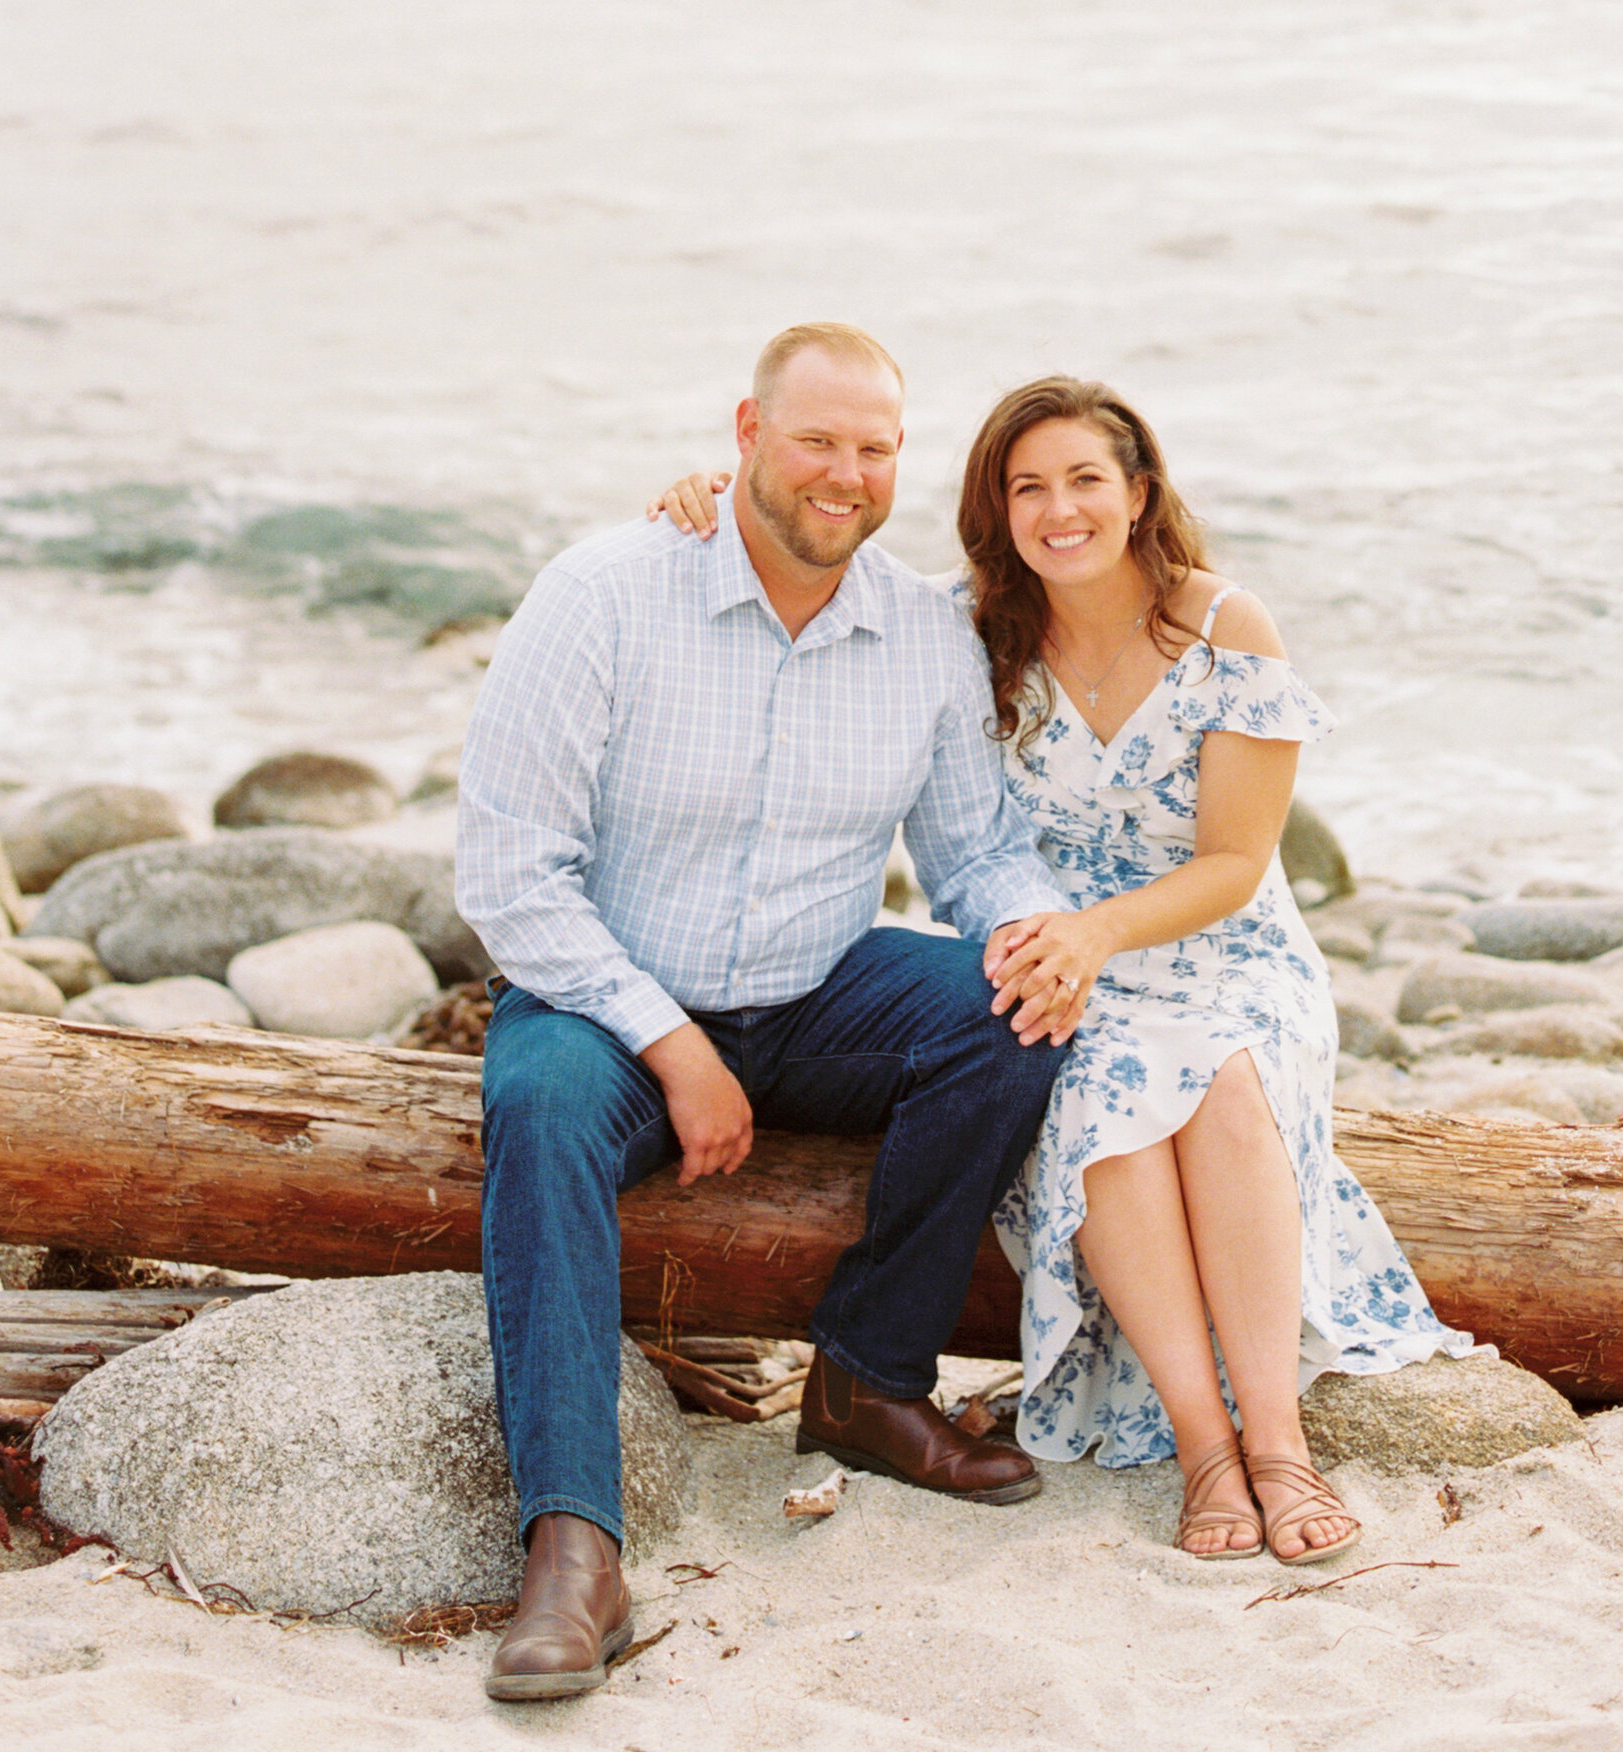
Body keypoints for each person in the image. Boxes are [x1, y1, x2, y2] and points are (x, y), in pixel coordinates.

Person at [654, 371, 1465, 1567]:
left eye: (1085, 479)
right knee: (1102, 1101)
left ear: (1137, 493)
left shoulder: (1223, 627)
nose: (1058, 509)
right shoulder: (965, 622)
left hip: (1219, 947)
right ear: (997, 509)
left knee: (1227, 1084)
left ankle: (1280, 1450)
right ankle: (1204, 1450)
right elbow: (816, 572)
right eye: (1026, 487)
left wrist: (1097, 934)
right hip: (1045, 945)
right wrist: (719, 503)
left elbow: (1238, 862)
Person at [457, 324, 1077, 1706]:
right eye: (816, 440)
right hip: (604, 1000)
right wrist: (667, 1041)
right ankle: (574, 1544)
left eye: (874, 449)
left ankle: (867, 1383)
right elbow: (510, 875)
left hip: (815, 991)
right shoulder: (604, 594)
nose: (844, 474)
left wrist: (1044, 934)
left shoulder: (923, 632)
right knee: (539, 1107)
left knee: (1008, 1016)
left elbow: (973, 854)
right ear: (747, 434)